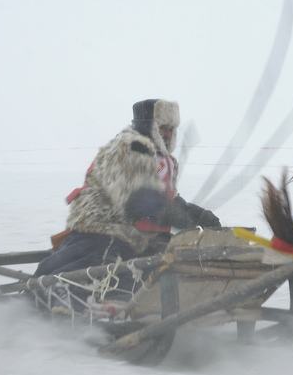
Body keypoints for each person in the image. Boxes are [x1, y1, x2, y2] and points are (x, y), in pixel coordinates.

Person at [35, 99, 221, 282]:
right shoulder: (129, 149)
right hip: (104, 230)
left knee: (180, 260)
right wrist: (181, 217)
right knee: (112, 271)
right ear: (148, 126)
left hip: (145, 236)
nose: (168, 133)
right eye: (163, 128)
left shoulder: (165, 161)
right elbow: (140, 202)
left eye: (171, 129)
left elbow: (168, 200)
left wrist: (200, 216)